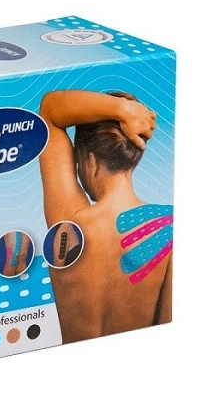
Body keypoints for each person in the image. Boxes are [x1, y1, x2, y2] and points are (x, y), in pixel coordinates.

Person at [39, 90, 172, 344]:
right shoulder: (168, 230)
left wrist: (122, 110)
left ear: (90, 161)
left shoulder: (66, 224)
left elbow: (49, 111)